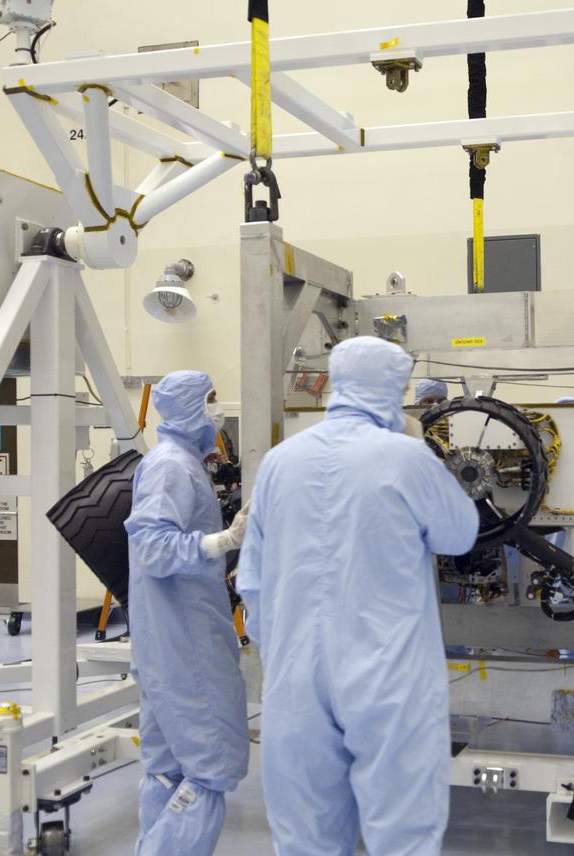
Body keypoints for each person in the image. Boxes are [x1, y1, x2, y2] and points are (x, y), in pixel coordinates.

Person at [236, 336, 479, 856]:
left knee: (305, 835)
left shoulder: (280, 462)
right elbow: (459, 533)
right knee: (403, 832)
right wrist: (419, 445)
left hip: (294, 672)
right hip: (385, 670)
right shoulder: (404, 457)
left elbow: (251, 577)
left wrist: (276, 648)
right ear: (393, 388)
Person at [124, 370, 251, 855]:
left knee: (166, 767)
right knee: (212, 766)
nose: (216, 411)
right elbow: (154, 548)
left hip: (167, 641)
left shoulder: (178, 462)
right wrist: (225, 541)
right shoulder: (171, 466)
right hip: (187, 645)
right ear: (190, 408)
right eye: (211, 401)